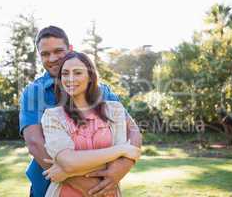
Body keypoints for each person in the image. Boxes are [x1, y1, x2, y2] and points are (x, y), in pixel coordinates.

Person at [19, 26, 142, 197]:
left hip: (104, 187)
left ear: (70, 49)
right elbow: (35, 143)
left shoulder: (103, 92)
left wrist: (119, 170)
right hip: (48, 186)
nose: (52, 58)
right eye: (45, 54)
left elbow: (133, 130)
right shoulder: (34, 92)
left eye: (58, 51)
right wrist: (82, 184)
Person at [41, 52, 141, 197]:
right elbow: (68, 162)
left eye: (77, 73)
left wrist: (68, 170)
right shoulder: (52, 116)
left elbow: (117, 164)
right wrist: (121, 149)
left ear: (90, 77)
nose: (70, 79)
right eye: (65, 73)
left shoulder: (114, 110)